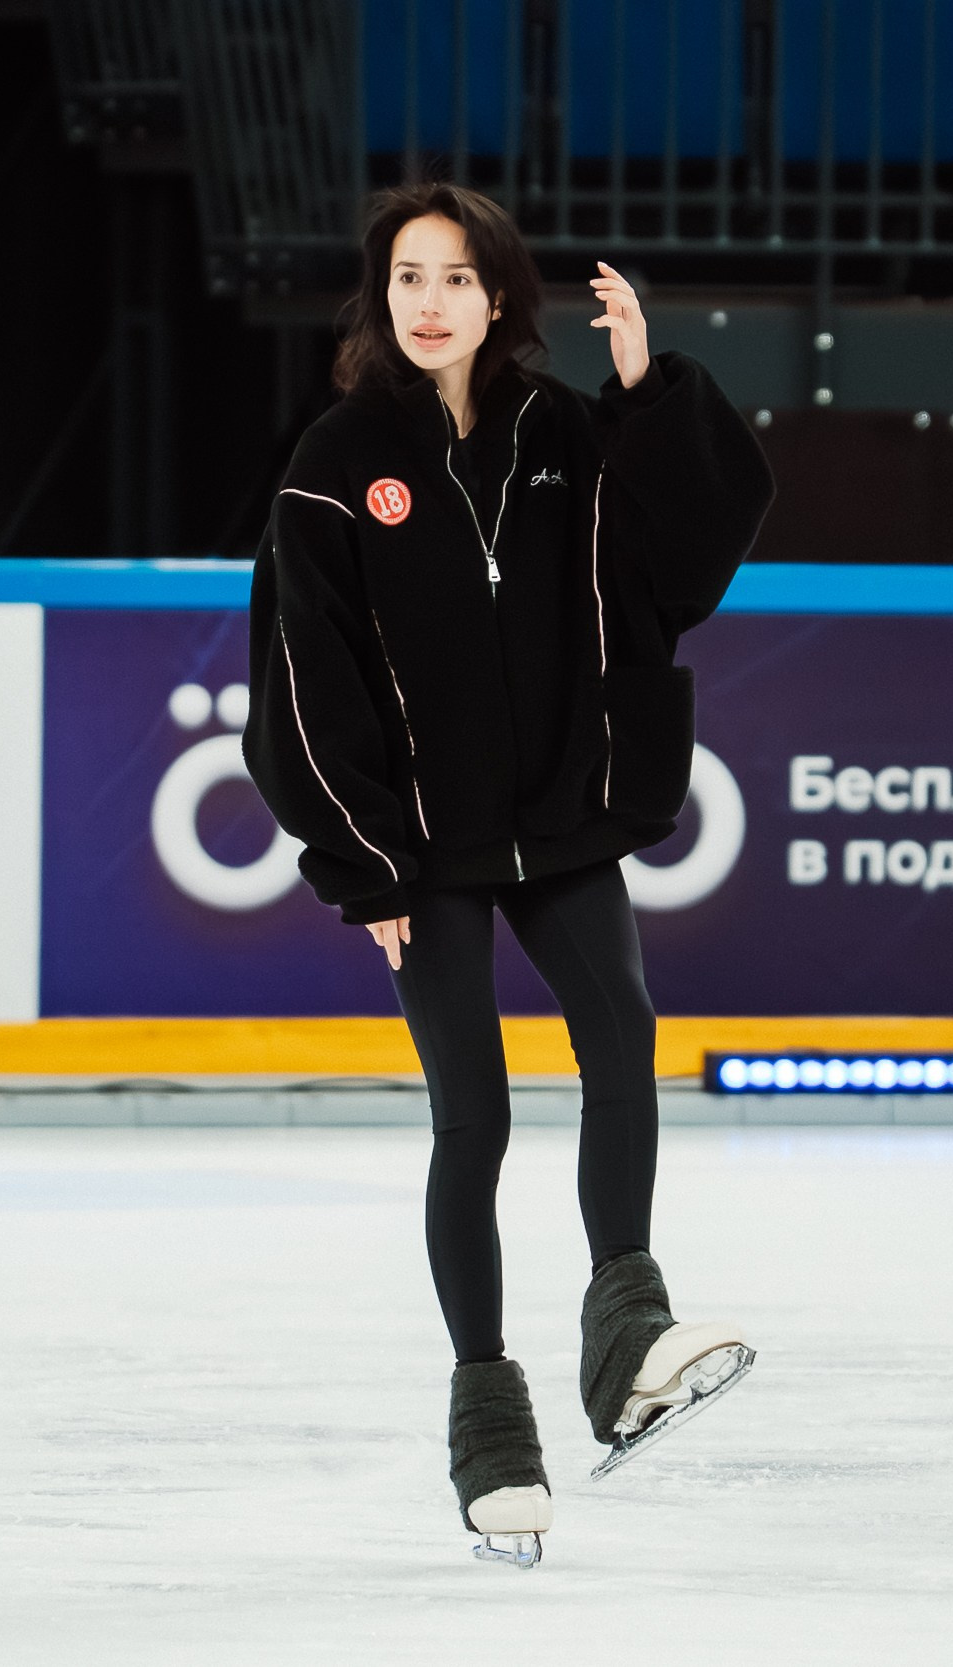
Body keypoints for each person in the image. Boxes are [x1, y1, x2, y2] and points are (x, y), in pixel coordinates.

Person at [242, 182, 775, 1565]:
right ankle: (490, 1423)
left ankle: (630, 1334)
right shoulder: (334, 459)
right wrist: (365, 868)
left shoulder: (568, 437)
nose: (430, 301)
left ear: (498, 299)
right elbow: (305, 682)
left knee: (625, 1040)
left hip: (563, 819)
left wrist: (650, 388)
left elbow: (686, 559)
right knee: (471, 1118)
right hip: (427, 854)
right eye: (408, 276)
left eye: (457, 279)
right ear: (384, 297)